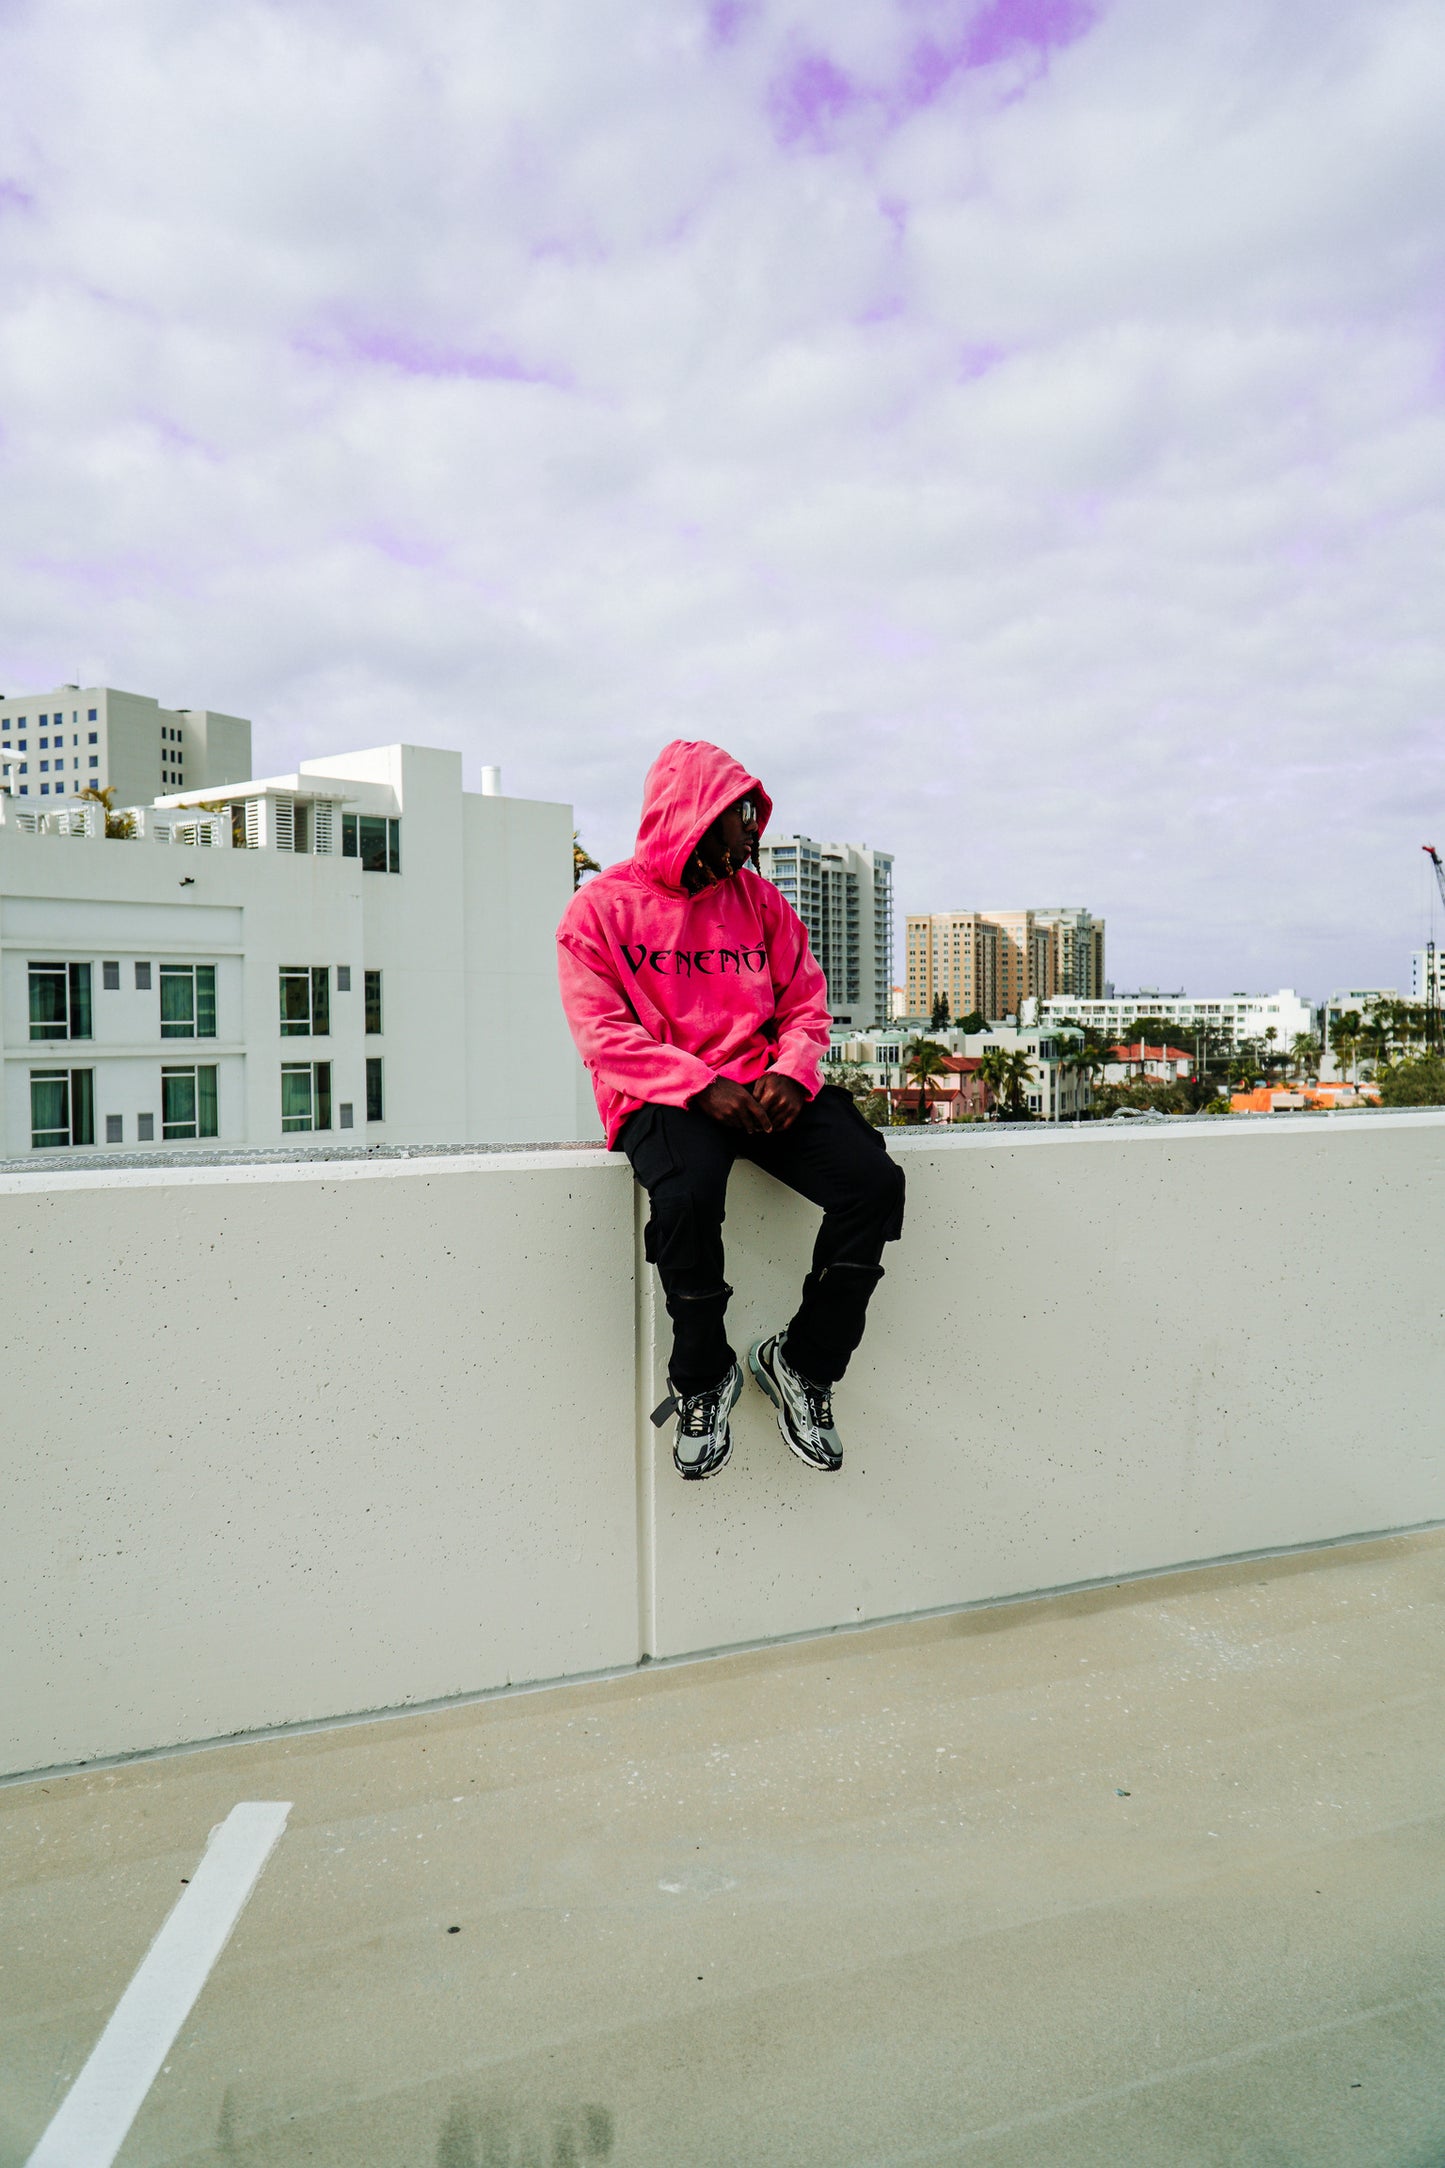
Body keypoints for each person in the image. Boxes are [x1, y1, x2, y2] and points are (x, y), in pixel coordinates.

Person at [557, 739, 905, 1482]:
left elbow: (807, 1004)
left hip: (762, 1085)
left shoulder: (762, 903)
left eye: (753, 814)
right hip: (662, 1093)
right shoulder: (600, 910)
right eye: (740, 814)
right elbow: (602, 1034)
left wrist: (790, 1071)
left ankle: (803, 1365)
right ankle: (703, 1375)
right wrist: (696, 1084)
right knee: (684, 1198)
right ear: (695, 814)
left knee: (872, 1184)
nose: (753, 830)